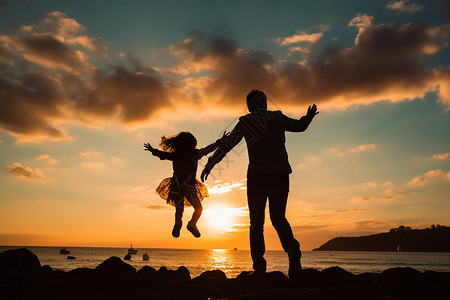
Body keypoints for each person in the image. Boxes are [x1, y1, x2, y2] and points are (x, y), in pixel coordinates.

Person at [201, 89, 318, 278]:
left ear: (249, 106)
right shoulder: (277, 117)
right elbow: (300, 126)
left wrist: (211, 163)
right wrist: (309, 116)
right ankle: (292, 249)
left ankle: (259, 266)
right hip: (280, 174)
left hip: (257, 177)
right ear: (265, 102)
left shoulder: (246, 121)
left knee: (256, 223)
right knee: (278, 218)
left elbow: (228, 145)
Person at [144, 131, 227, 238]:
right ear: (193, 143)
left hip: (177, 185)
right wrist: (220, 142)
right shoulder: (194, 154)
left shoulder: (176, 155)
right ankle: (192, 224)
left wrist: (153, 150)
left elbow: (164, 155)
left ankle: (178, 223)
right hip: (189, 185)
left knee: (179, 209)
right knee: (198, 208)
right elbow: (208, 149)